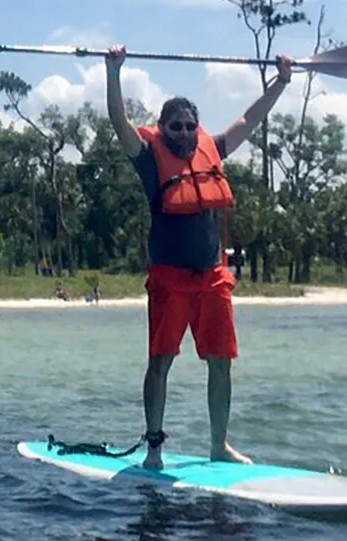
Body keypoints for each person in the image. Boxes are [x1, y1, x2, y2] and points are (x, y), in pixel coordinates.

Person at [104, 43, 293, 469]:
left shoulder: (213, 149)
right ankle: (154, 448)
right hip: (170, 279)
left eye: (191, 126)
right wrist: (114, 72)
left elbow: (251, 118)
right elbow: (118, 121)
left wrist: (280, 82)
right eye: (176, 127)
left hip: (212, 276)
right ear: (163, 128)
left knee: (221, 364)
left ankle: (218, 445)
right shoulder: (150, 160)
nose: (186, 134)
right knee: (160, 363)